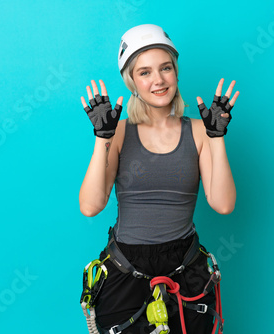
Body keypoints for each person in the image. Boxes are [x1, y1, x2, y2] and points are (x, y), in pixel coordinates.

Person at [79, 24, 238, 334]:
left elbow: (223, 204)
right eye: (145, 73)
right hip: (126, 270)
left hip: (186, 266)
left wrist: (216, 137)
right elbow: (90, 205)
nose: (158, 80)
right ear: (132, 82)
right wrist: (102, 138)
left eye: (165, 68)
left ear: (175, 72)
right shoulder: (120, 133)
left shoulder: (199, 132)